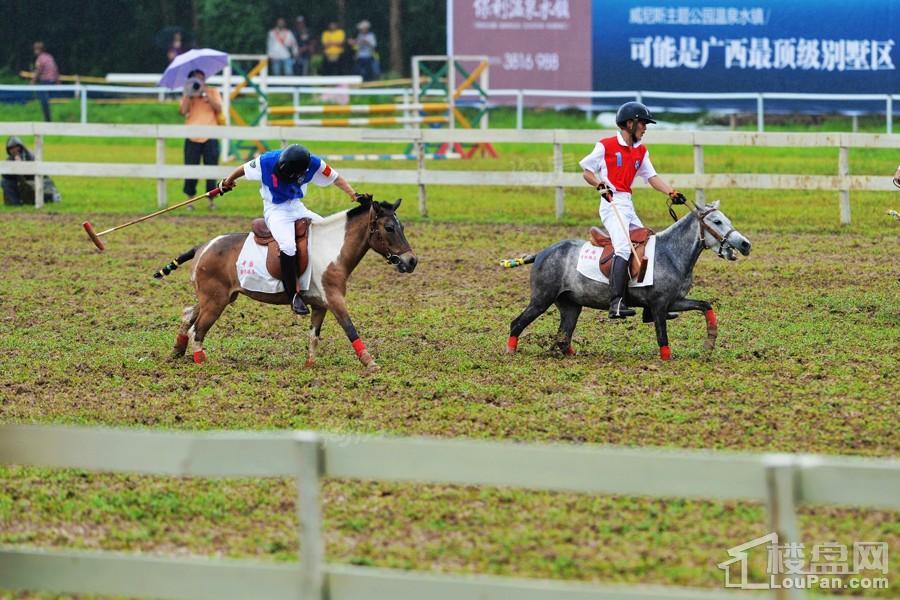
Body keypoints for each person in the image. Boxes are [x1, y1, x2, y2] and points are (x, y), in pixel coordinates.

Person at [218, 144, 362, 315]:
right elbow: (243, 169)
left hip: (297, 206)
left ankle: (323, 280)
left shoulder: (315, 163)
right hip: (275, 210)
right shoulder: (267, 161)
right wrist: (227, 181)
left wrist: (354, 194)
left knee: (326, 230)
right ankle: (293, 295)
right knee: (287, 245)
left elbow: (335, 177)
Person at [579, 101, 687, 319]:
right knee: (623, 248)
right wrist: (600, 184)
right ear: (629, 124)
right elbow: (587, 171)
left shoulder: (641, 151)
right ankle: (616, 303)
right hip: (611, 204)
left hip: (627, 202)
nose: (645, 128)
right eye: (643, 124)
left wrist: (671, 192)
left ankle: (650, 308)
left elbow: (652, 177)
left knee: (647, 245)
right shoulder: (605, 145)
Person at [179, 69, 222, 209]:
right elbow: (183, 111)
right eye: (197, 79)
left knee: (211, 169)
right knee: (191, 168)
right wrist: (189, 95)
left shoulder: (212, 92)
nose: (200, 82)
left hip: (210, 135)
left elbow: (219, 109)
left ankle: (211, 201)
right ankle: (190, 200)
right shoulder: (188, 94)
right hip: (192, 136)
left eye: (202, 79)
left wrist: (207, 96)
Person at [3, 136, 61, 205]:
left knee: (33, 187)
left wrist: (22, 165)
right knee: (5, 182)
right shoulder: (10, 159)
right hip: (22, 183)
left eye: (16, 147)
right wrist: (14, 166)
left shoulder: (29, 156)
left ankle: (52, 197)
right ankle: (16, 203)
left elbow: (31, 175)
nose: (14, 150)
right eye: (11, 148)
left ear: (20, 147)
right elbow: (6, 176)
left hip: (33, 182)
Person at [31, 41, 59, 122]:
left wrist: (33, 81)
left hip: (45, 80)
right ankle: (48, 117)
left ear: (38, 50)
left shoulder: (40, 59)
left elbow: (38, 71)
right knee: (47, 100)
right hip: (52, 80)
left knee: (43, 100)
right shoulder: (49, 57)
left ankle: (47, 119)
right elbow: (55, 69)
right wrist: (57, 81)